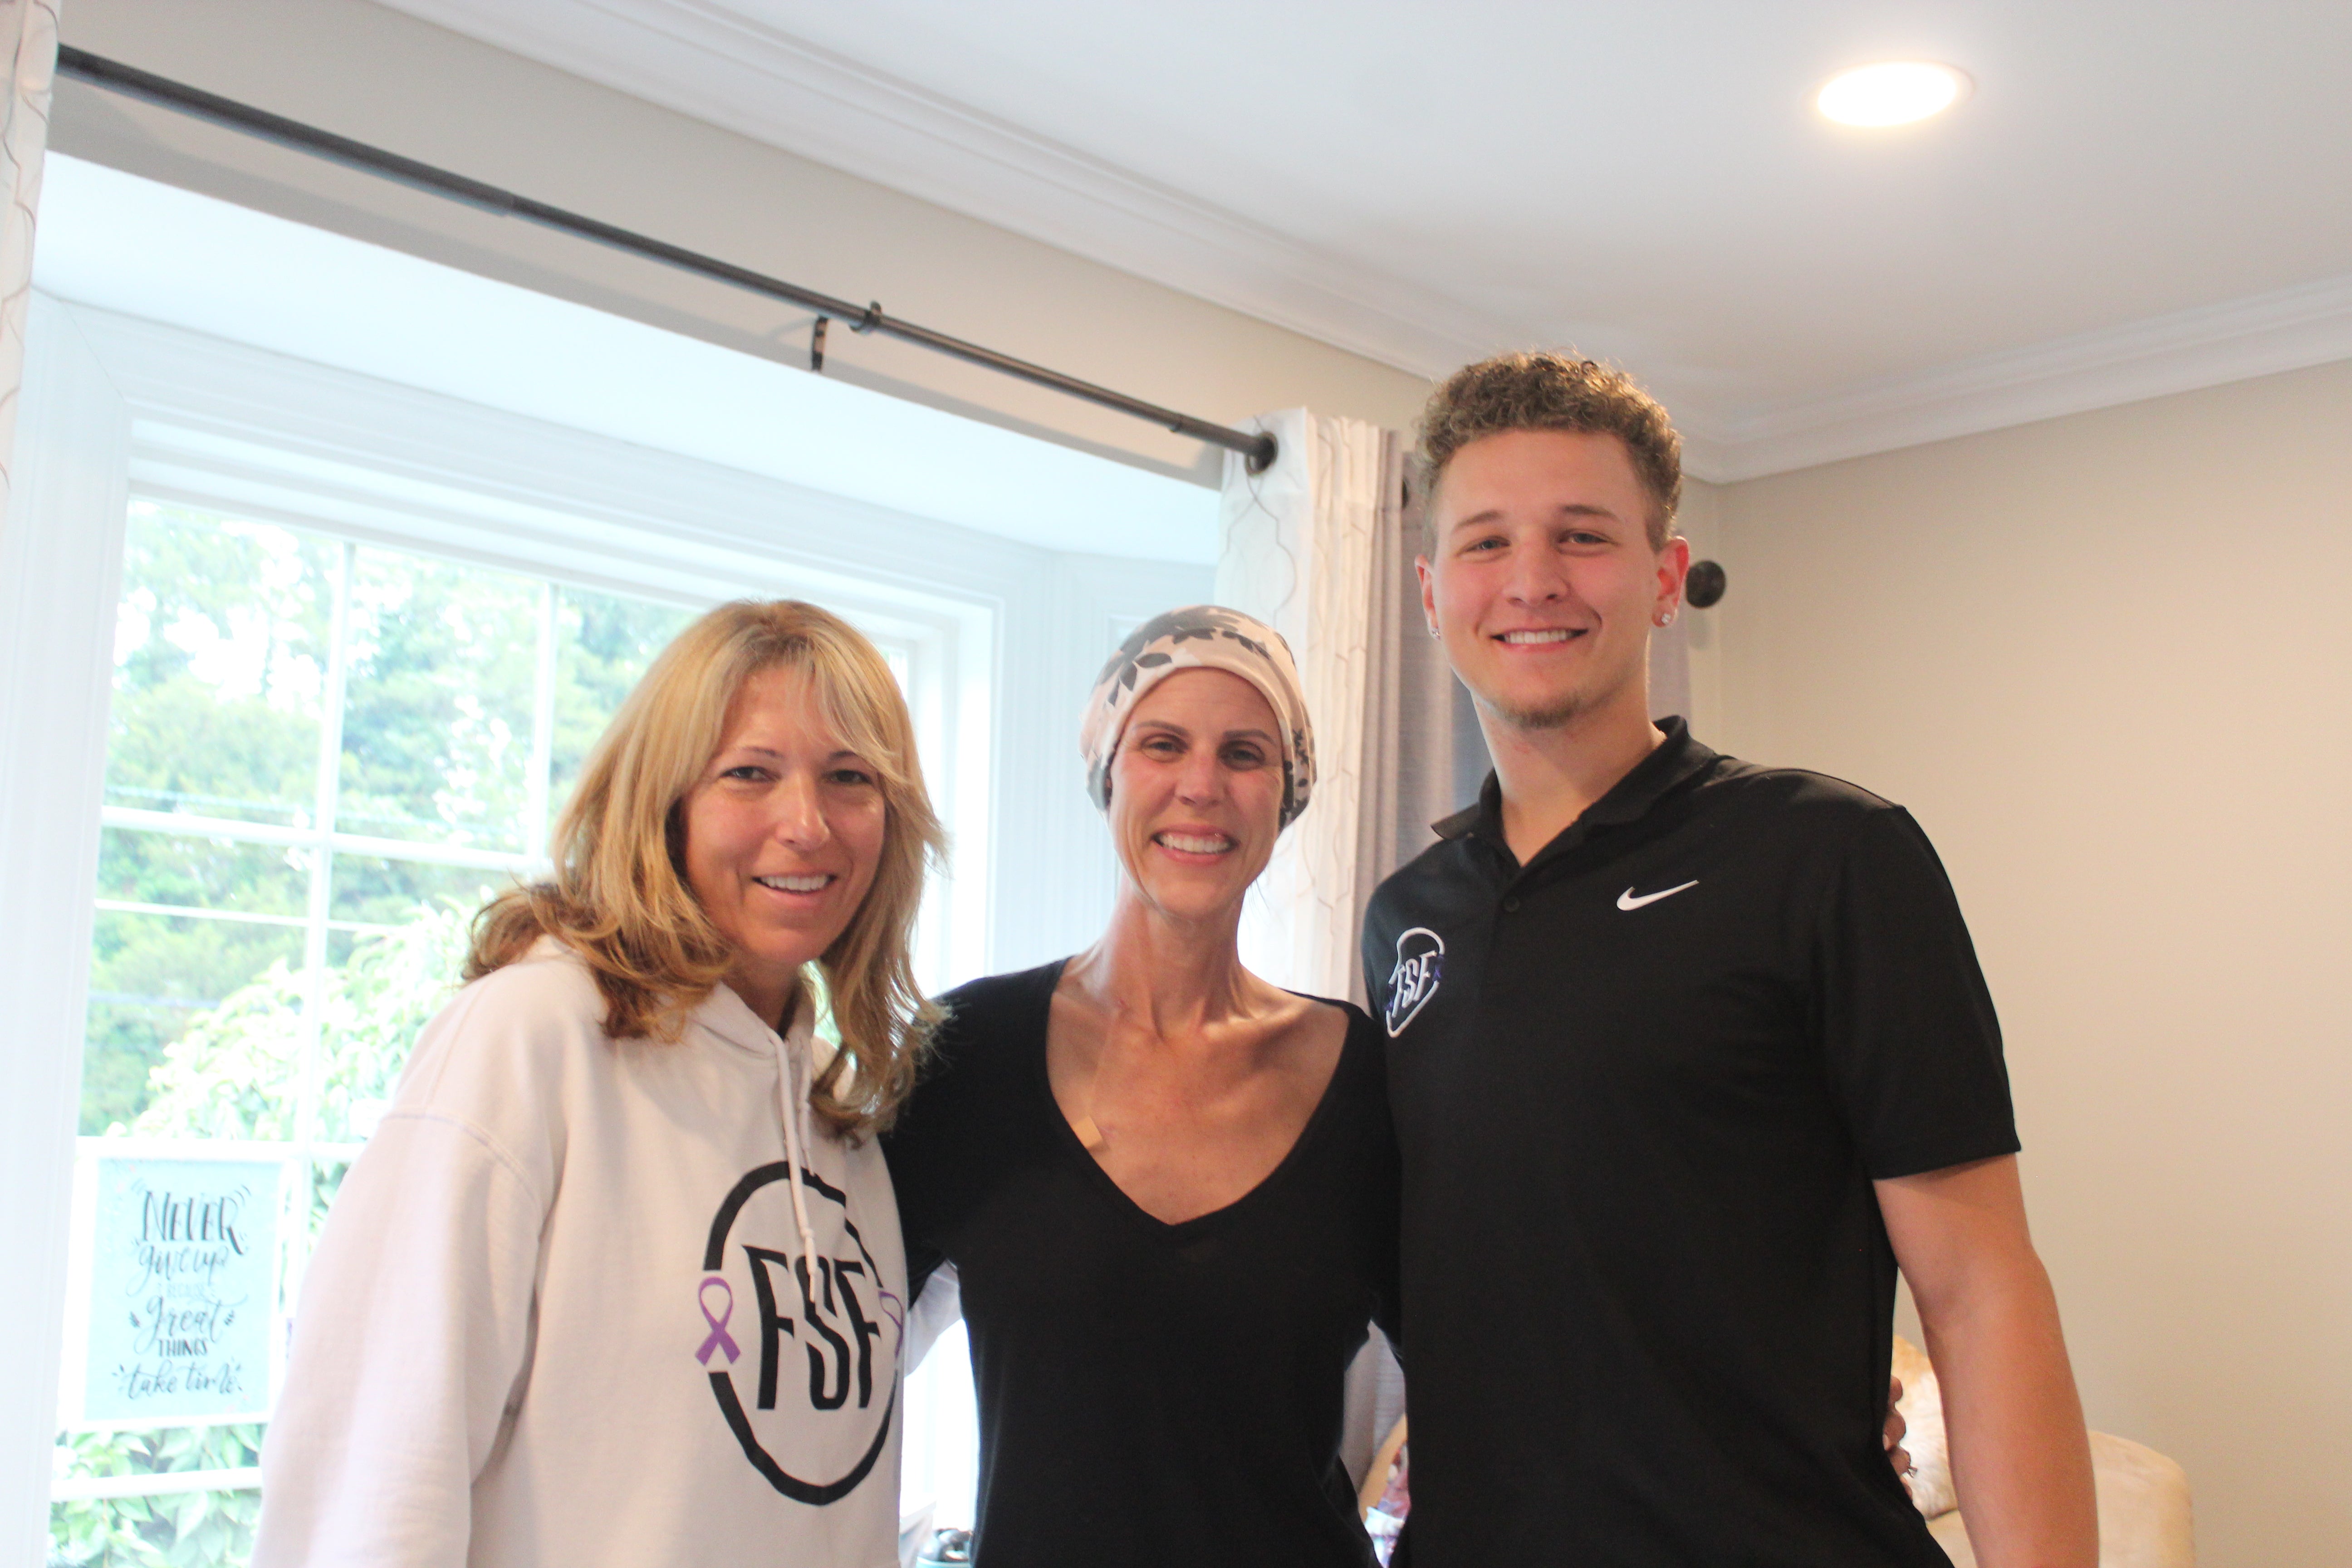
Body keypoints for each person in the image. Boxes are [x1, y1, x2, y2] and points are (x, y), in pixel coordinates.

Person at [1363, 353, 2098, 1568]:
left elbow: (1981, 1295)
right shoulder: (1408, 917)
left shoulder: (1830, 855)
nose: (1534, 579)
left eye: (1583, 535)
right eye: (1488, 542)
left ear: (1664, 579)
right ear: (1433, 592)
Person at [253, 600, 944, 1568]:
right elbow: (373, 1475)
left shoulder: (836, 1112)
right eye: (750, 773)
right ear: (663, 804)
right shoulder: (530, 1040)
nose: (807, 823)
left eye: (850, 778)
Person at [885, 606, 1402, 1567]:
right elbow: (834, 1368)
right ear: (1108, 773)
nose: (1202, 786)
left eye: (1244, 754)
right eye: (1163, 744)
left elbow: (1488, 1383)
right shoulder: (966, 1055)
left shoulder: (1367, 1079)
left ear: (1286, 794)